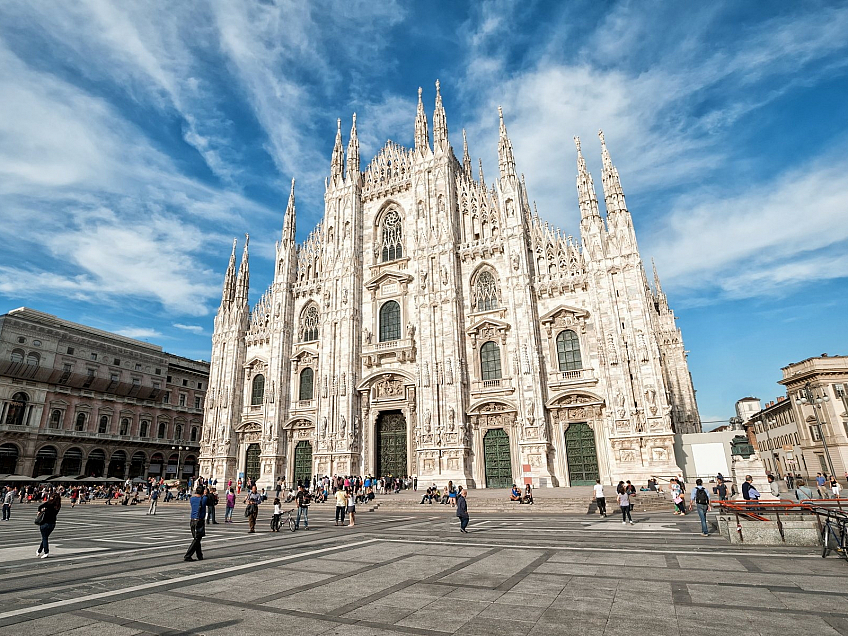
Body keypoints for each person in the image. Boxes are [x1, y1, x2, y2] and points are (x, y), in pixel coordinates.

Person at [184, 486, 207, 561]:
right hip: (199, 521)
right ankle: (188, 555)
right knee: (197, 539)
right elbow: (212, 501)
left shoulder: (192, 499)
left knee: (197, 538)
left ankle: (199, 555)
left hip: (192, 520)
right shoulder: (204, 499)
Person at [36, 492, 61, 558]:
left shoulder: (49, 503)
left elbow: (40, 506)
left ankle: (46, 552)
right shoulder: (58, 505)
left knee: (44, 538)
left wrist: (40, 511)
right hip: (52, 523)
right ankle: (39, 551)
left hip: (45, 522)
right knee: (45, 537)